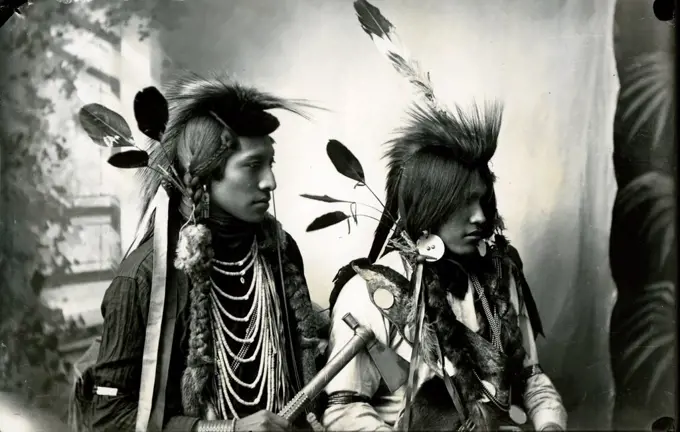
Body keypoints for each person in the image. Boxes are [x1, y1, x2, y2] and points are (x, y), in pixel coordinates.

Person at [72, 75, 327, 432]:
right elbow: (109, 418)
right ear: (205, 176)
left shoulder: (278, 252)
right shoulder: (144, 278)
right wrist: (228, 430)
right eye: (253, 166)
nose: (271, 182)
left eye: (271, 163)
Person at [320, 101, 568, 431]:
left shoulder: (501, 275)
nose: (479, 216)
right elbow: (345, 412)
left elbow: (530, 380)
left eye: (482, 200)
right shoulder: (368, 292)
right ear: (429, 206)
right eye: (463, 202)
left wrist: (550, 424)